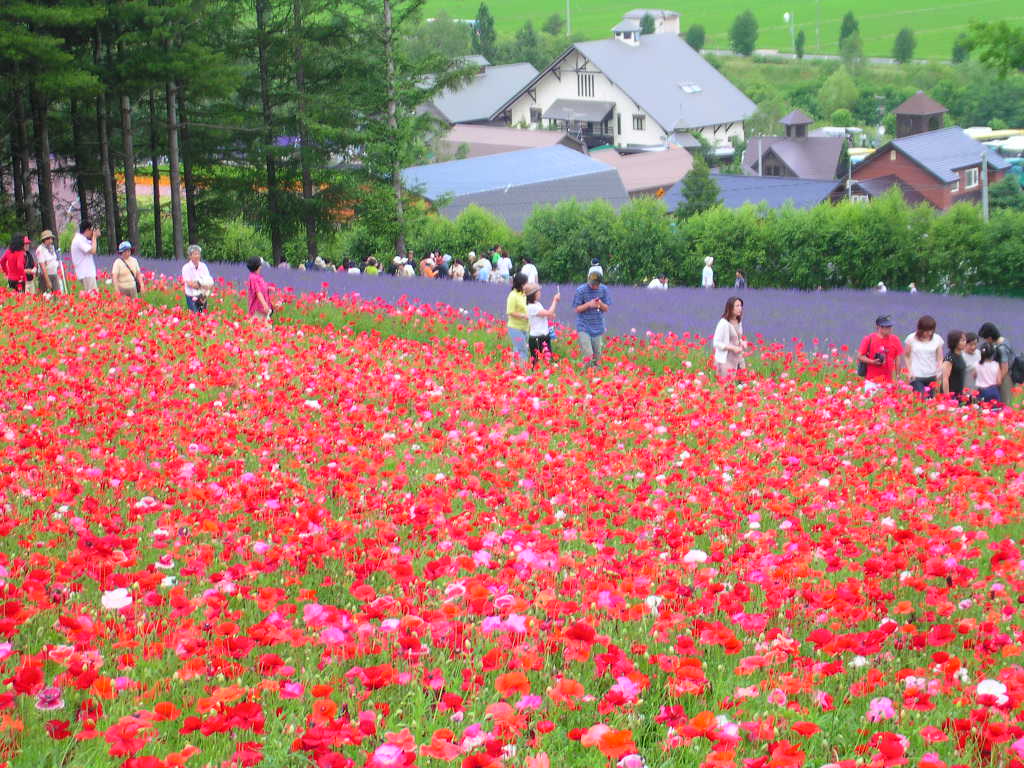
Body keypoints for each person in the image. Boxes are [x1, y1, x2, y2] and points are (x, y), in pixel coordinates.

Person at [573, 265, 611, 368]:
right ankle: (586, 378)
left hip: (598, 327)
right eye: (592, 284)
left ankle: (596, 379)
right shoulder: (580, 290)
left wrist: (600, 304)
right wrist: (589, 304)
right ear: (588, 279)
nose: (594, 286)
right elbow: (577, 308)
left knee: (597, 358)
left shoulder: (604, 290)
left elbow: (606, 308)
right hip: (584, 327)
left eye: (596, 284)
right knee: (588, 356)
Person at [857, 315, 904, 391]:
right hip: (872, 381)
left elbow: (897, 359)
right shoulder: (869, 339)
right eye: (886, 327)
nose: (889, 329)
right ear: (878, 327)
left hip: (888, 381)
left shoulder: (895, 340)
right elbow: (860, 356)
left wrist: (898, 376)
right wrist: (872, 361)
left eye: (890, 327)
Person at [903, 315, 943, 397]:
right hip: (917, 375)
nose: (929, 333)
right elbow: (907, 356)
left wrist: (940, 370)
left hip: (932, 375)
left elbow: (939, 357)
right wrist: (909, 371)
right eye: (926, 331)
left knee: (931, 399)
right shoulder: (911, 339)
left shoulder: (937, 339)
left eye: (931, 331)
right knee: (920, 398)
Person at [713, 296, 749, 378]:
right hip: (726, 359)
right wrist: (732, 348)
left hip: (738, 358)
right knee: (727, 385)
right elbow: (716, 343)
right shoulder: (723, 323)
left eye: (741, 306)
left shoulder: (738, 321)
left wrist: (742, 342)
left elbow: (737, 337)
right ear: (730, 308)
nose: (740, 308)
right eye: (737, 306)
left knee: (742, 383)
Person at [978, 323, 1013, 405]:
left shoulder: (1002, 348)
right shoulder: (1002, 341)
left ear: (990, 338)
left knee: (1004, 403)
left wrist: (996, 382)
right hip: (998, 376)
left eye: (985, 338)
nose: (984, 341)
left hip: (1004, 378)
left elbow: (1005, 368)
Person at [525, 282, 560, 364]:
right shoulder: (531, 307)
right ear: (533, 294)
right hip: (537, 338)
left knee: (548, 360)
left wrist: (549, 314)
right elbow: (549, 313)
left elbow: (546, 314)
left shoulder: (537, 304)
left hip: (545, 335)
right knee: (536, 362)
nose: (540, 292)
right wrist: (555, 300)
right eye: (538, 291)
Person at [506, 273, 530, 365]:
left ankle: (514, 369)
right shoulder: (513, 295)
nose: (527, 285)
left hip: (525, 327)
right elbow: (510, 312)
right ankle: (522, 370)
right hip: (515, 327)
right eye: (525, 283)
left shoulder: (524, 294)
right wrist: (524, 316)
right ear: (521, 283)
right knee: (522, 350)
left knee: (518, 349)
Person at [182, 244, 213, 312]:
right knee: (194, 316)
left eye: (198, 254)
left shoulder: (203, 266)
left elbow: (210, 282)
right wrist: (202, 284)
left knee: (203, 317)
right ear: (190, 256)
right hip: (191, 296)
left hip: (203, 296)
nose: (197, 256)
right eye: (195, 254)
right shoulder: (186, 268)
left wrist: (201, 286)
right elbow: (191, 284)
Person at [70, 220, 100, 293]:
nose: (92, 232)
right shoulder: (79, 240)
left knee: (92, 295)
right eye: (91, 230)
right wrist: (94, 237)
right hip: (86, 273)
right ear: (87, 230)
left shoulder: (82, 240)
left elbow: (92, 245)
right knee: (93, 296)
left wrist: (95, 237)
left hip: (87, 273)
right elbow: (93, 250)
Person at [941, 330, 967, 401]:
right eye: (962, 340)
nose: (965, 343)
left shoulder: (960, 356)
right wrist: (947, 397)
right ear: (955, 342)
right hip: (951, 395)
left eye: (965, 340)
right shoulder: (949, 357)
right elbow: (945, 378)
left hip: (959, 393)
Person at [247, 256, 273, 322]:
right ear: (257, 266)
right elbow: (258, 292)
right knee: (260, 329)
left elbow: (262, 288)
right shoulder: (253, 278)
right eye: (260, 265)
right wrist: (265, 305)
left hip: (262, 310)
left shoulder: (259, 277)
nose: (261, 267)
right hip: (257, 311)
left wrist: (268, 288)